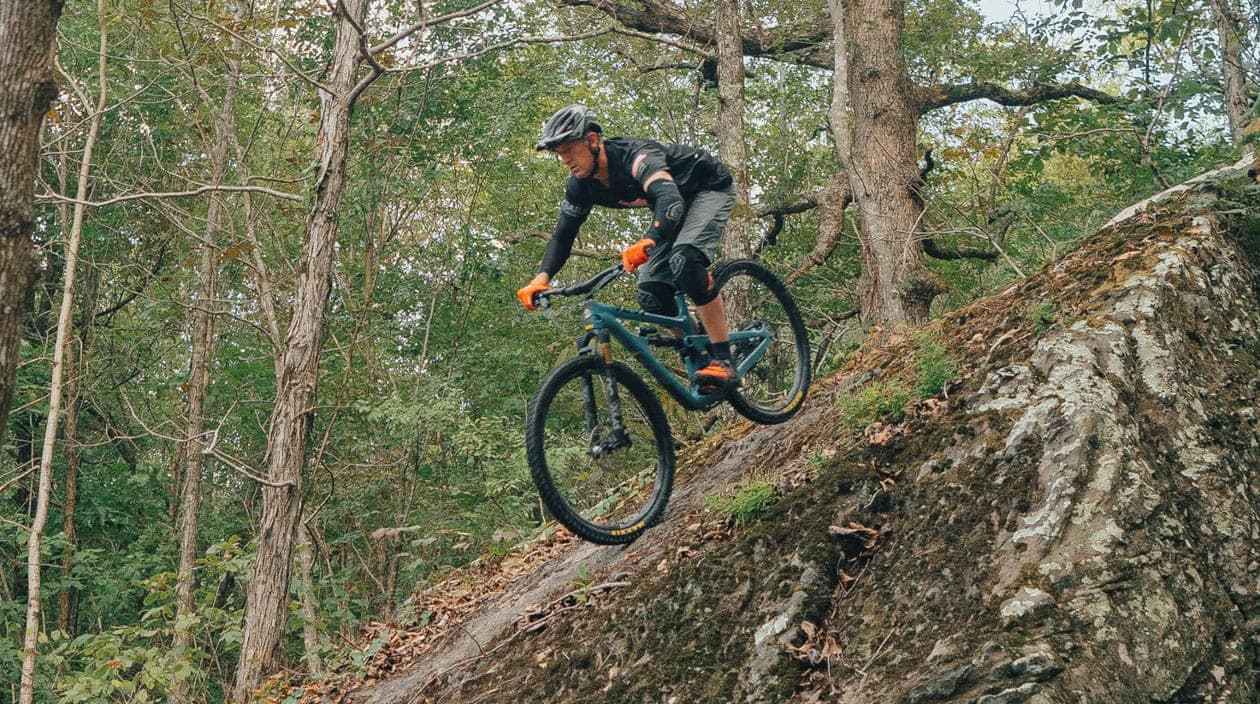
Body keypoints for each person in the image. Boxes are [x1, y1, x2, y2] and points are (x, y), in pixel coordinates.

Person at [516, 104, 740, 391]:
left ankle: (724, 359)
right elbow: (563, 235)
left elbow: (670, 201)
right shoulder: (581, 185)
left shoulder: (637, 157)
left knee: (684, 261)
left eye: (569, 149)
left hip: (707, 188)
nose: (565, 160)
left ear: (593, 140)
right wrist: (541, 278)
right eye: (559, 154)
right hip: (670, 208)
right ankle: (700, 346)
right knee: (651, 293)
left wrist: (648, 240)